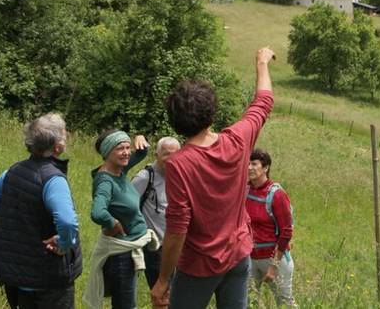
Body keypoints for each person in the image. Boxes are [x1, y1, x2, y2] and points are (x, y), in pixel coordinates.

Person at [151, 46, 276, 309]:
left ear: (175, 121)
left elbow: (176, 231)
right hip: (239, 256)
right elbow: (263, 101)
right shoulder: (238, 140)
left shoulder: (179, 164)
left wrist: (163, 281)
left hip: (199, 266)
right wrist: (261, 61)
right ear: (211, 111)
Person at [0, 113, 82, 309]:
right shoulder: (53, 179)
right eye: (64, 134)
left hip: (18, 277)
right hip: (49, 279)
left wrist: (15, 226)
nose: (66, 137)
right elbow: (68, 222)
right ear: (57, 147)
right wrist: (64, 243)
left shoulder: (14, 170)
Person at [83, 130, 156, 309]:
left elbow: (142, 152)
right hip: (121, 255)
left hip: (129, 249)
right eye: (120, 148)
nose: (126, 152)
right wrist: (112, 223)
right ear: (107, 153)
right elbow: (97, 212)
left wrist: (140, 137)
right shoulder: (105, 181)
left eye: (127, 147)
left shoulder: (119, 170)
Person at [246, 149, 296, 307]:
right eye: (247, 163)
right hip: (249, 258)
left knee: (285, 303)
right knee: (247, 302)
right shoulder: (245, 190)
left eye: (254, 164)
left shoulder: (277, 194)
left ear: (265, 168)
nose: (249, 167)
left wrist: (273, 266)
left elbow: (286, 231)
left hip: (274, 259)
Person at [131, 136, 182, 289]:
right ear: (157, 155)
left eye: (175, 154)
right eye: (166, 154)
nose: (171, 158)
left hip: (178, 245)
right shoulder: (145, 177)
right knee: (162, 295)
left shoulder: (181, 176)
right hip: (155, 248)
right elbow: (128, 208)